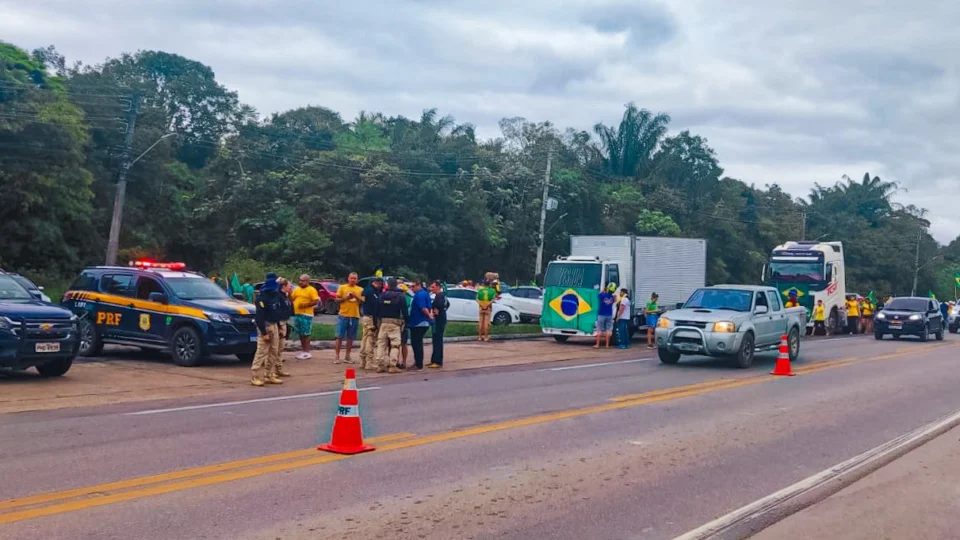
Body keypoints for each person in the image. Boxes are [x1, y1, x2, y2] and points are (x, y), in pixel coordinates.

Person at [251, 273, 285, 387]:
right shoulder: (262, 298)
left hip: (274, 324)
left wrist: (280, 327)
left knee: (274, 351)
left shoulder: (275, 296)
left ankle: (268, 374)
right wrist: (264, 333)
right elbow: (259, 317)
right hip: (265, 326)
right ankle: (255, 376)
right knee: (262, 352)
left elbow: (277, 313)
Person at [375, 278, 408, 374]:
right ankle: (393, 365)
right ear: (396, 285)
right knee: (395, 344)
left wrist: (376, 323)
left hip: (383, 322)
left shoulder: (382, 296)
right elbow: (405, 311)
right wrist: (407, 321)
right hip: (395, 323)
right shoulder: (400, 296)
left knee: (381, 344)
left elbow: (376, 310)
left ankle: (380, 365)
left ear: (387, 285)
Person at [334, 272, 363, 364]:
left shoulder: (360, 289)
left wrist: (356, 296)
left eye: (355, 278)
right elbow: (336, 300)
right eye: (351, 278)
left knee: (351, 337)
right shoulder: (342, 287)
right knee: (339, 336)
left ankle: (348, 356)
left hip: (354, 315)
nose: (353, 280)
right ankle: (337, 356)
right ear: (348, 278)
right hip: (343, 315)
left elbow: (362, 301)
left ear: (357, 279)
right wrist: (345, 298)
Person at [289, 274, 319, 360]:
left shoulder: (311, 290)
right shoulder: (297, 289)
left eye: (302, 281)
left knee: (306, 333)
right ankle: (303, 351)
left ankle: (307, 351)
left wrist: (305, 305)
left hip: (306, 314)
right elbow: (292, 299)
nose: (300, 282)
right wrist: (289, 293)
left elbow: (315, 301)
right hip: (298, 314)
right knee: (301, 333)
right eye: (300, 280)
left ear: (307, 281)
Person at [408, 281, 434, 370]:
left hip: (418, 322)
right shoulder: (425, 294)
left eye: (413, 286)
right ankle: (418, 362)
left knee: (416, 343)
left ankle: (418, 363)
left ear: (419, 286)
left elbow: (423, 308)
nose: (412, 288)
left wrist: (429, 316)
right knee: (417, 342)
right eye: (411, 287)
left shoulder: (419, 295)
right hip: (421, 322)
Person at [359, 277, 383, 371]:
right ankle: (368, 362)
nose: (379, 285)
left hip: (366, 317)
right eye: (378, 283)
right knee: (370, 339)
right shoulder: (371, 292)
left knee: (364, 339)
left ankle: (362, 361)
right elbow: (374, 306)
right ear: (373, 282)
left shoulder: (366, 290)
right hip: (370, 318)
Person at [274, 277, 294, 378]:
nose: (291, 288)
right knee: (276, 347)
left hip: (284, 322)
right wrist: (278, 325)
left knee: (281, 347)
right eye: (289, 286)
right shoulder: (278, 296)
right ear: (283, 286)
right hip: (279, 322)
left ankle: (279, 368)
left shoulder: (285, 296)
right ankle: (273, 370)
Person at [428, 280, 448, 368]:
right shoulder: (439, 296)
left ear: (438, 287)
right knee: (435, 340)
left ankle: (438, 361)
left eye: (433, 287)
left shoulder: (440, 296)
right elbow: (447, 304)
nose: (431, 289)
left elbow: (442, 305)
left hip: (439, 321)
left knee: (438, 341)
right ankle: (433, 360)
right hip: (438, 320)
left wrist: (438, 311)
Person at [594, 283, 617, 349]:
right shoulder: (612, 297)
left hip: (601, 314)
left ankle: (597, 345)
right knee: (608, 330)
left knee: (599, 330)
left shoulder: (602, 295)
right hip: (609, 314)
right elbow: (615, 300)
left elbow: (598, 295)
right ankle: (607, 345)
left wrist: (603, 290)